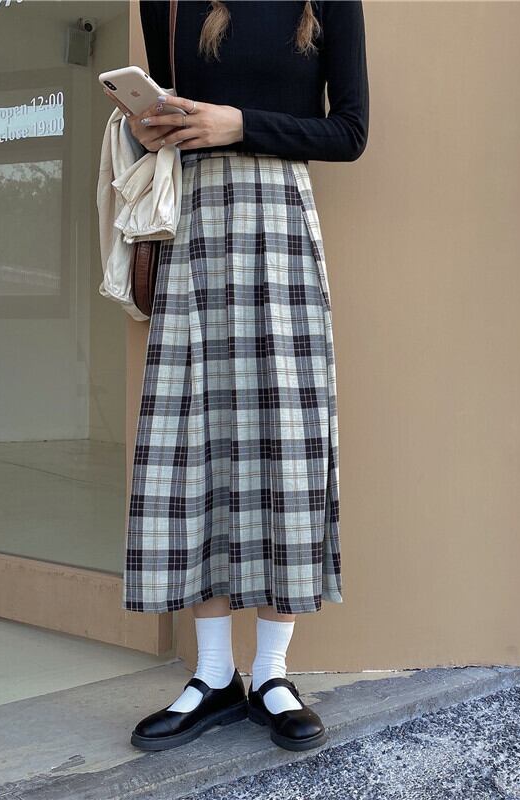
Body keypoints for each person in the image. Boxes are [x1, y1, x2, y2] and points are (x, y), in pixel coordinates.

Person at [103, 0, 368, 753]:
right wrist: (148, 125)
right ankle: (214, 676)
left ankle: (274, 673)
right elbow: (163, 114)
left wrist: (238, 124)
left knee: (286, 441)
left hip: (280, 226)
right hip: (193, 226)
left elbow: (350, 132)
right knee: (196, 441)